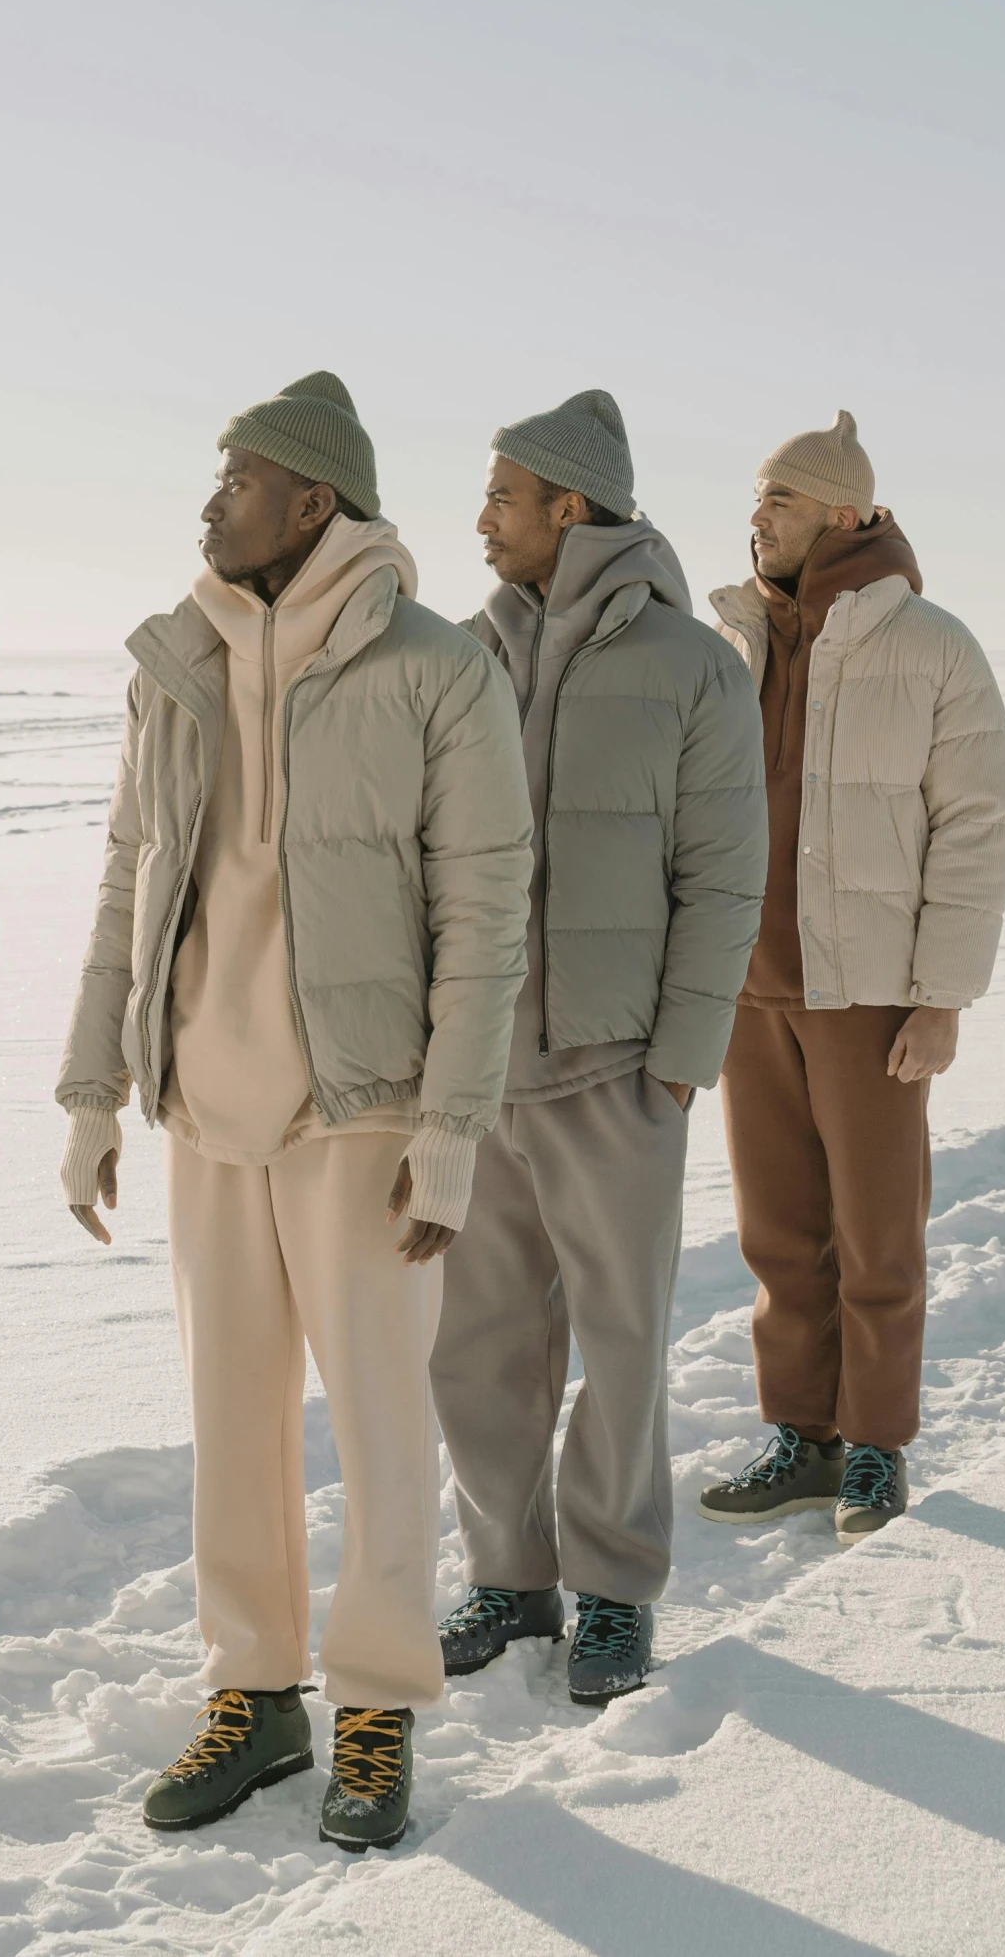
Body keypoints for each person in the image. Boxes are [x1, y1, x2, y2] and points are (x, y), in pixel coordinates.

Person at [54, 372, 532, 1851]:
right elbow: (131, 876)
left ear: (313, 500)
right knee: (229, 1420)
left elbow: (484, 913)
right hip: (205, 1098)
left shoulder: (436, 667)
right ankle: (254, 1692)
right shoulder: (175, 657)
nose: (211, 502)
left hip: (365, 1110)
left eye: (239, 477)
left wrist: (448, 1125)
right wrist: (92, 1091)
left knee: (383, 1420)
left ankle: (376, 1698)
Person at [430, 390, 768, 1702]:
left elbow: (722, 876)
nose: (483, 518)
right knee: (475, 1338)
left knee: (621, 1337)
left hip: (614, 1064)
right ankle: (509, 1576)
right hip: (476, 1071)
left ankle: (615, 1587)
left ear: (569, 507)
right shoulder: (457, 653)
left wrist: (678, 1053)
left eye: (502, 495)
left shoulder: (691, 665)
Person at [700, 410, 1005, 1544]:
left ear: (839, 512)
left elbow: (976, 824)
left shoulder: (930, 643)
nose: (755, 519)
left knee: (878, 1233)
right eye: (755, 499)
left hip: (871, 991)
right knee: (778, 1235)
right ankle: (801, 1437)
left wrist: (941, 996)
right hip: (747, 991)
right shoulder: (735, 638)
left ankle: (875, 1446)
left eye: (776, 500)